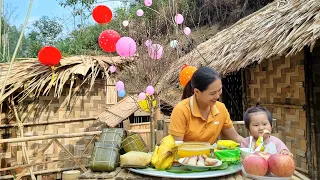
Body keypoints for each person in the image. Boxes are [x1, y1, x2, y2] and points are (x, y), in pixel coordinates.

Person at [169, 66, 244, 144]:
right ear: (197, 92)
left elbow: (236, 137)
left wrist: (251, 144)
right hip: (186, 155)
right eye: (212, 93)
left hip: (209, 156)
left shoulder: (221, 108)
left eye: (219, 90)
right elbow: (177, 146)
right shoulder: (181, 110)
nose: (217, 96)